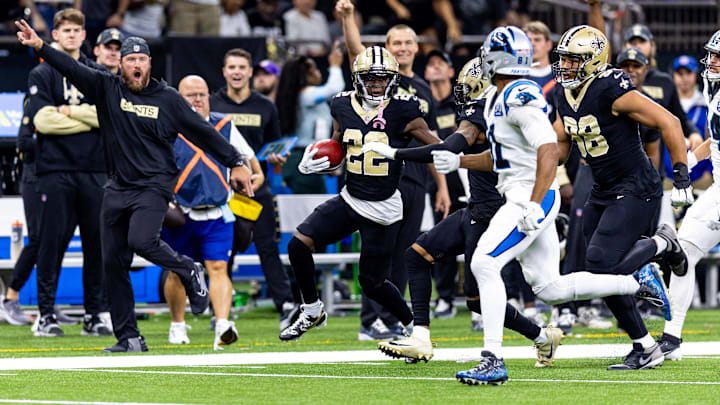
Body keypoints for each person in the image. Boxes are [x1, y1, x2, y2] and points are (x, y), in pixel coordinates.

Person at [365, 28, 675, 381]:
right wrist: (461, 163)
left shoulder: (518, 93)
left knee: (483, 263)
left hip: (529, 196)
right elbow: (502, 159)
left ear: (500, 57)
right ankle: (637, 281)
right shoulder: (499, 98)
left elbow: (546, 148)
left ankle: (493, 359)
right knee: (549, 288)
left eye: (488, 52)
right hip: (524, 191)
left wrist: (533, 202)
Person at [16, 21, 254, 352]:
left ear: (149, 64)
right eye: (130, 60)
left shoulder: (169, 99)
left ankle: (188, 269)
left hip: (154, 186)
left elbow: (203, 133)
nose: (137, 65)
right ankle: (128, 337)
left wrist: (236, 162)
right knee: (112, 263)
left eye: (142, 59)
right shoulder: (106, 87)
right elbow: (69, 66)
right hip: (116, 187)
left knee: (141, 239)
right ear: (122, 64)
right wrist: (41, 46)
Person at [375, 58, 564, 367]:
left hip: (491, 212)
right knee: (417, 255)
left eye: (466, 89)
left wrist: (397, 153)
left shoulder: (481, 114)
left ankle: (541, 337)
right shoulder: (499, 111)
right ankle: (420, 336)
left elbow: (447, 148)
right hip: (476, 207)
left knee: (477, 299)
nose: (461, 96)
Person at [551, 25, 692, 370]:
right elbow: (559, 142)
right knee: (598, 272)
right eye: (564, 59)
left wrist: (682, 177)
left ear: (593, 61)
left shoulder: (609, 87)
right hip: (603, 188)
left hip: (636, 186)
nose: (566, 66)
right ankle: (644, 345)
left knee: (601, 264)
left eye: (574, 60)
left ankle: (663, 245)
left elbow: (670, 122)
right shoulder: (562, 93)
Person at [278, 46, 442, 342]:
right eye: (370, 79)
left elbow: (438, 150)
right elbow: (341, 145)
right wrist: (316, 159)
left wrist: (397, 152)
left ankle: (415, 327)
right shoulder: (341, 104)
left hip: (383, 207)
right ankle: (312, 309)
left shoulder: (405, 109)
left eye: (382, 79)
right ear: (357, 79)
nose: (377, 85)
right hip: (351, 198)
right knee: (298, 245)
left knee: (371, 282)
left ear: (392, 80)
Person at [338, 0, 451, 341]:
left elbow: (432, 142)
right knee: (377, 249)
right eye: (395, 43)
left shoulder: (424, 90)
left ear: (417, 47)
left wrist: (442, 186)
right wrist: (346, 18)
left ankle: (392, 318)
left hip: (414, 177)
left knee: (405, 251)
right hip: (376, 176)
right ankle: (369, 318)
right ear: (387, 49)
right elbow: (355, 49)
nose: (402, 48)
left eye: (407, 42)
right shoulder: (374, 76)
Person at [163, 75, 264, 350]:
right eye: (190, 95)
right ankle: (177, 324)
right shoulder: (169, 126)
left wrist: (249, 182)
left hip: (218, 211)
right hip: (180, 210)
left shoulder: (223, 124)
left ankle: (222, 325)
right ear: (178, 99)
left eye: (202, 94)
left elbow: (254, 168)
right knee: (178, 272)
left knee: (218, 267)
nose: (198, 100)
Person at [26, 8, 109, 338]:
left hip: (94, 171)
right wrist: (86, 116)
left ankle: (94, 314)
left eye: (77, 29)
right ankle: (46, 315)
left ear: (84, 35)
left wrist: (66, 112)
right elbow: (42, 121)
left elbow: (108, 118)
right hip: (55, 171)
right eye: (66, 30)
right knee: (51, 245)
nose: (72, 34)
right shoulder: (41, 74)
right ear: (55, 36)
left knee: (96, 246)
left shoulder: (97, 72)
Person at [210, 48, 300, 330]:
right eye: (231, 67)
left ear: (250, 72)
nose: (236, 72)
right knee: (223, 250)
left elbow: (274, 148)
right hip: (221, 191)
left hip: (256, 189)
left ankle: (285, 304)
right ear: (224, 71)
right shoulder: (211, 104)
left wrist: (277, 159)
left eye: (242, 67)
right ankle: (219, 311)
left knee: (267, 248)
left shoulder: (265, 106)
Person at [656, 31, 720, 361]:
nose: (711, 62)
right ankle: (672, 338)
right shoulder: (715, 90)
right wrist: (691, 159)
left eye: (718, 56)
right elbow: (716, 139)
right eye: (711, 54)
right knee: (682, 255)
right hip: (716, 190)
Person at [423, 49, 465, 319]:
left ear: (451, 72)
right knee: (440, 239)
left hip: (465, 176)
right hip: (435, 179)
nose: (435, 67)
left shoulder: (460, 102)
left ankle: (478, 299)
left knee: (476, 237)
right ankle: (445, 298)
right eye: (431, 64)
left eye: (441, 63)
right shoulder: (422, 104)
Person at [278, 43, 345, 194]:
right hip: (302, 157)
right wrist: (334, 66)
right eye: (314, 69)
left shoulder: (306, 97)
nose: (318, 72)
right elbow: (335, 89)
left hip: (310, 155)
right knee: (312, 209)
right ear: (304, 75)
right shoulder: (306, 95)